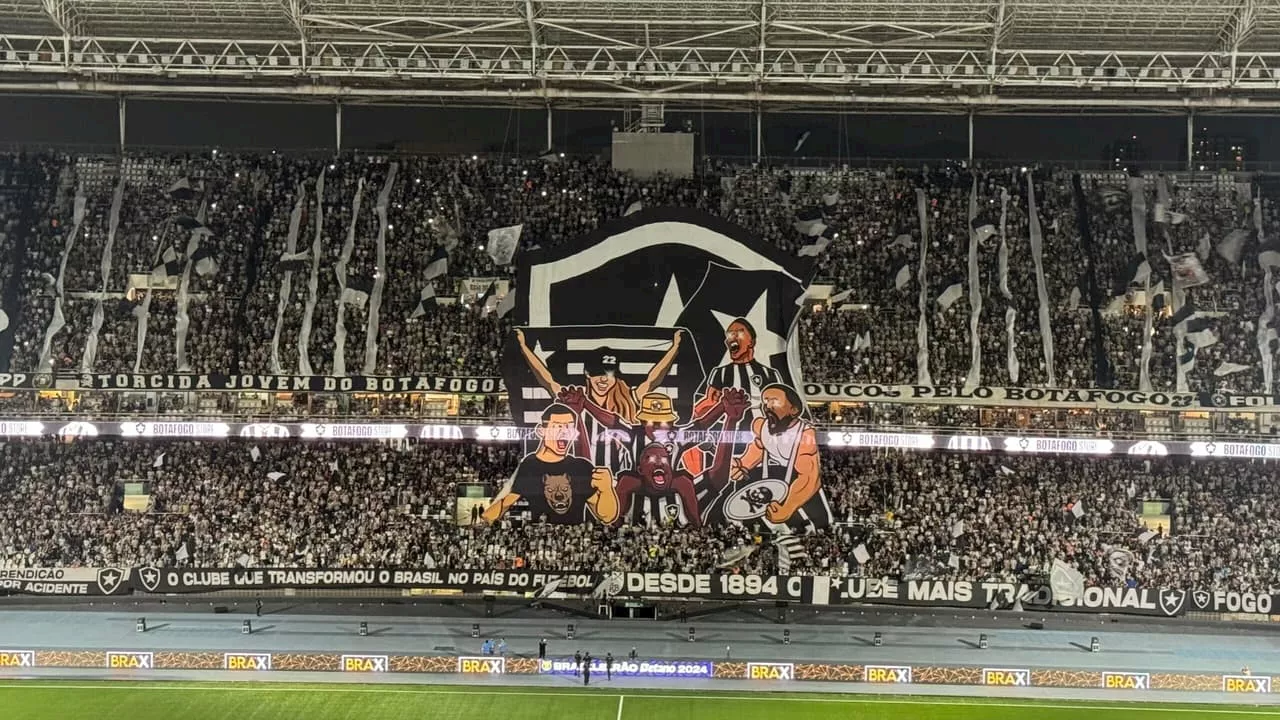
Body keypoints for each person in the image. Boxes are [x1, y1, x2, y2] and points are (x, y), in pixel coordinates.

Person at [558, 386, 746, 525]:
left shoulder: (677, 436)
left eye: (661, 421)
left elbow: (701, 425)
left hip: (669, 481)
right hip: (640, 480)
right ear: (642, 421)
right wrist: (585, 405)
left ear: (671, 422)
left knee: (685, 482)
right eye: (651, 420)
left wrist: (724, 409)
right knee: (625, 482)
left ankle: (697, 525)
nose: (656, 425)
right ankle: (613, 524)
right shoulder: (634, 434)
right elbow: (612, 422)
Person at [516, 329, 683, 471]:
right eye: (598, 373)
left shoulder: (627, 398)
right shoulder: (574, 399)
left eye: (608, 375)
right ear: (587, 374)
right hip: (580, 473)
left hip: (621, 473)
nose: (603, 380)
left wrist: (675, 348)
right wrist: (523, 348)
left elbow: (653, 380)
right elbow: (547, 380)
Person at [720, 383, 832, 531]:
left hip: (797, 477)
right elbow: (759, 447)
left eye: (774, 401)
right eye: (766, 401)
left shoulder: (805, 435)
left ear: (794, 410)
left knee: (814, 522)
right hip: (779, 475)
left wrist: (788, 507)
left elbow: (810, 477)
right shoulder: (761, 426)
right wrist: (742, 464)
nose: (768, 406)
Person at [482, 403, 618, 525]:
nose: (564, 431)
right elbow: (506, 503)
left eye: (569, 427)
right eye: (558, 426)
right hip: (543, 534)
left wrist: (607, 491)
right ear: (542, 431)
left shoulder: (581, 466)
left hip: (575, 536)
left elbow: (606, 516)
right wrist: (485, 518)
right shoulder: (530, 466)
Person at [692, 318, 783, 439]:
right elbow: (708, 403)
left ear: (751, 342)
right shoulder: (721, 373)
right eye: (729, 335)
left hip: (763, 437)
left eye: (738, 333)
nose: (732, 338)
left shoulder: (770, 374)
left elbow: (780, 407)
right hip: (729, 437)